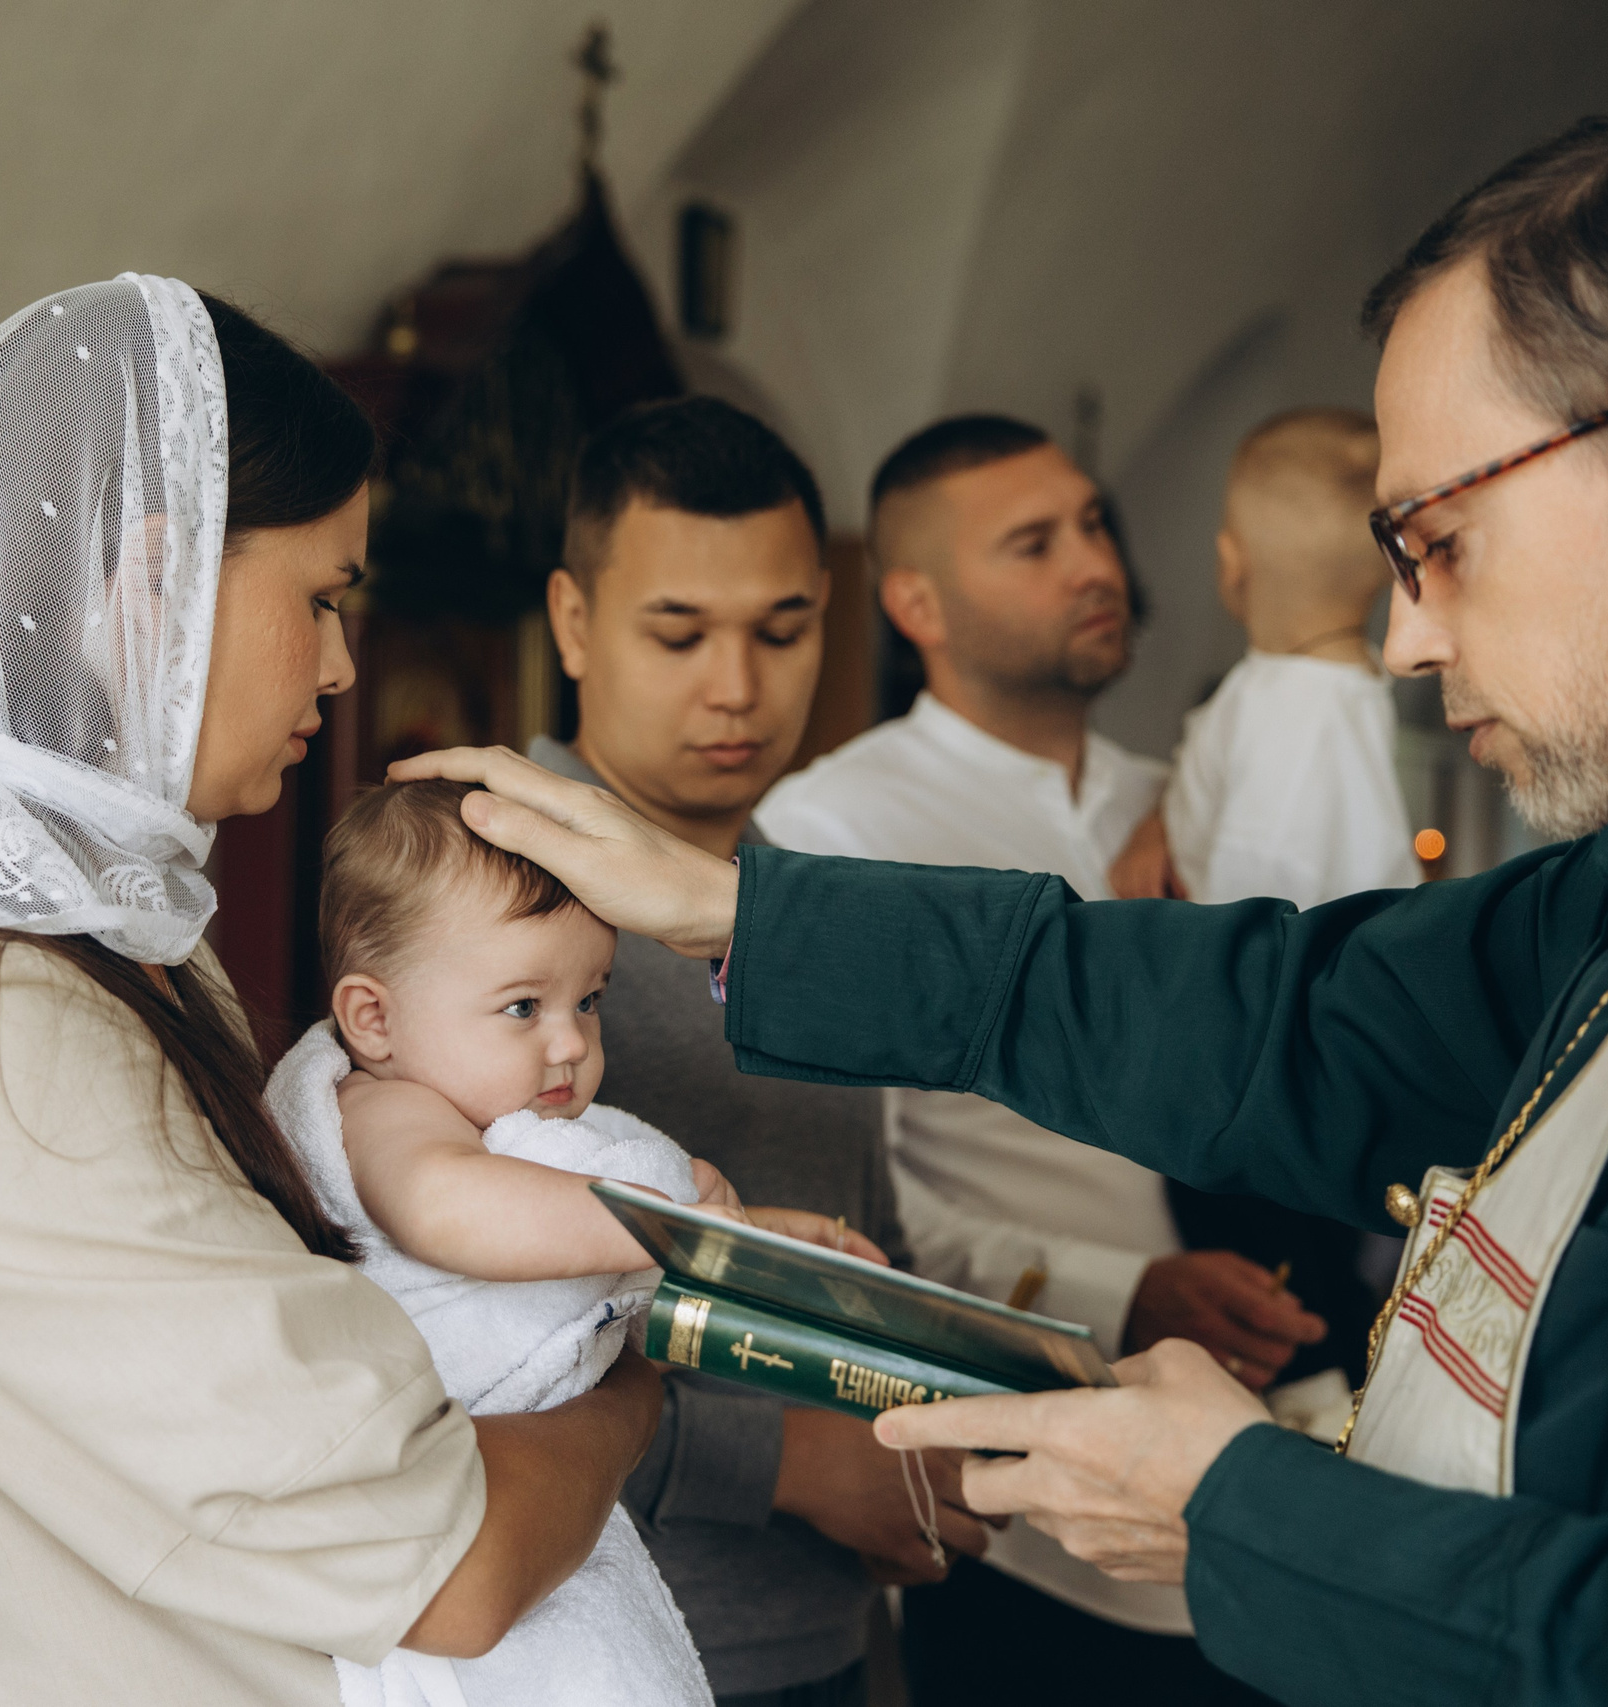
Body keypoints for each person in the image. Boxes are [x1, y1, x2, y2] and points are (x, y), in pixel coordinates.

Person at [401, 109, 1608, 1703]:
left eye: (1437, 539)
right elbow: (1301, 1017)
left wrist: (1243, 1511)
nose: (1403, 643)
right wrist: (747, 911)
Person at [0, 276, 661, 1706]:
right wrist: (632, 1393)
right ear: (153, 579)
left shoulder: (107, 942)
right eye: (320, 597)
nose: (339, 662)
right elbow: (453, 1563)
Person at [756, 416, 1320, 1705]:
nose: (1094, 563)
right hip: (1027, 1489)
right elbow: (856, 1190)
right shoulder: (833, 829)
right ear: (917, 602)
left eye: (1094, 525)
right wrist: (1120, 1290)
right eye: (1035, 542)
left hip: (1259, 1448)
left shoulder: (1177, 798)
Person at [529, 395, 986, 1707]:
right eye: (678, 632)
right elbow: (437, 1307)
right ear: (573, 620)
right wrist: (781, 1459)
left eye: (783, 629)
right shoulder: (485, 884)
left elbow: (856, 1234)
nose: (737, 687)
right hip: (604, 1639)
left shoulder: (805, 903)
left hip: (828, 1629)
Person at [268, 779, 890, 1707]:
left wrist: (741, 1236)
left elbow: (591, 1237)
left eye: (590, 999)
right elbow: (449, 1209)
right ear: (373, 1019)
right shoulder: (381, 1111)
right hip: (442, 1558)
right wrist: (678, 1225)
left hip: (546, 1503)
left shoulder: (504, 1123)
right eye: (524, 1006)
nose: (570, 1044)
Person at [1116, 408, 1420, 909]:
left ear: (1232, 563)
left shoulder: (1293, 718)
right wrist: (1161, 825)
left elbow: (1251, 923)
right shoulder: (1313, 687)